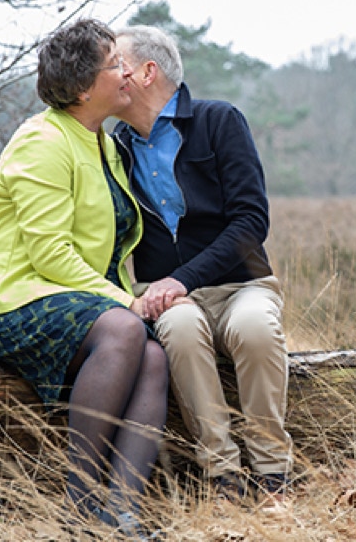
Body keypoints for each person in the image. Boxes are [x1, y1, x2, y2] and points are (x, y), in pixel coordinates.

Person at [0, 18, 173, 537]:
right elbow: (52, 254)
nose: (126, 71)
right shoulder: (43, 142)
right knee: (127, 330)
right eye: (113, 65)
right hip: (13, 302)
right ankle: (79, 509)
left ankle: (121, 513)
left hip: (76, 301)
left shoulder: (100, 142)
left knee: (152, 354)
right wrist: (124, 303)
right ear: (83, 88)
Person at [111, 25, 293, 506]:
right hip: (163, 294)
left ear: (148, 72)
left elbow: (252, 221)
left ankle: (274, 474)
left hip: (243, 285)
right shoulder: (114, 147)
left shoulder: (219, 121)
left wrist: (183, 278)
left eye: (118, 65)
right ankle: (223, 477)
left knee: (255, 328)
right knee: (184, 331)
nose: (110, 75)